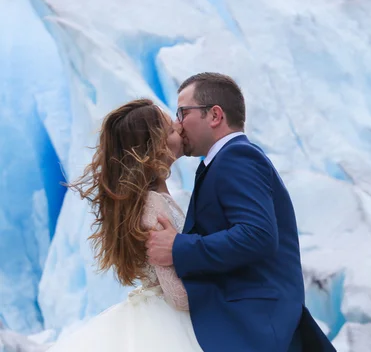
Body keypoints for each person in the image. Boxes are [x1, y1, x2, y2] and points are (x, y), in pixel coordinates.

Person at [146, 73, 335, 352]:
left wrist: (178, 247)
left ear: (215, 115)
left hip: (254, 326)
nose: (178, 124)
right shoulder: (221, 162)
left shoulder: (237, 157)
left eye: (183, 112)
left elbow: (257, 235)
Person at [47, 99, 204, 352]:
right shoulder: (153, 206)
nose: (180, 127)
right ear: (155, 149)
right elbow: (178, 295)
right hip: (169, 323)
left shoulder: (151, 199)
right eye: (172, 131)